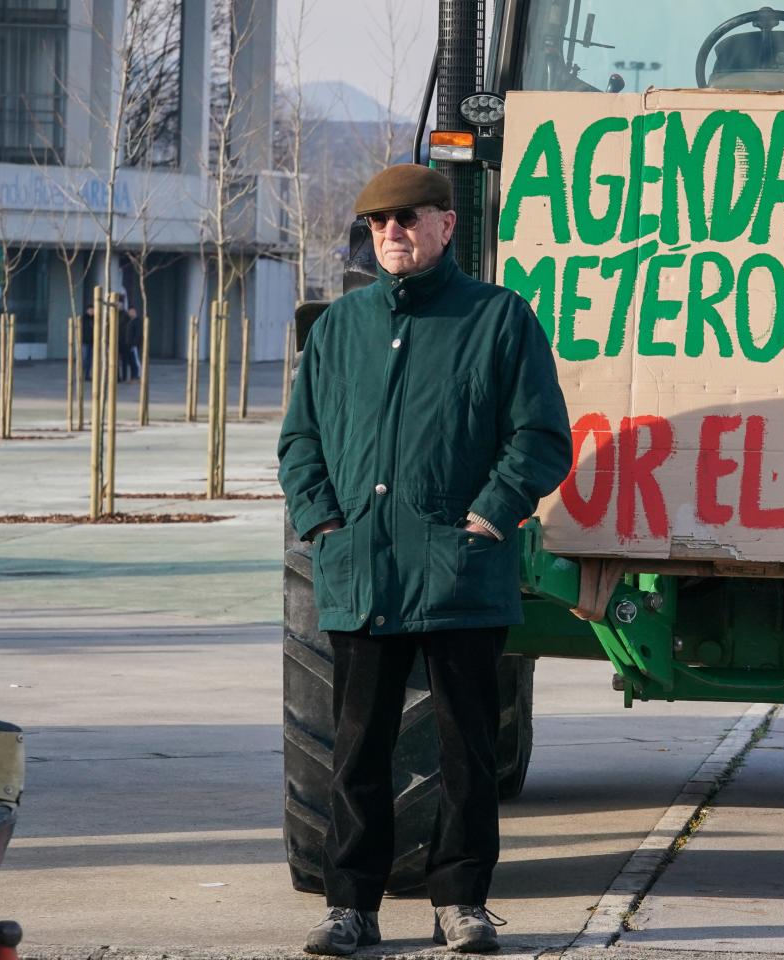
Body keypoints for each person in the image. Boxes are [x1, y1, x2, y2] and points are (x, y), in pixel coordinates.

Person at [278, 164, 571, 957]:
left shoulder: (499, 320)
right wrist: (323, 524)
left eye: (407, 218)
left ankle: (462, 901)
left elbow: (542, 437)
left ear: (447, 224)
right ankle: (350, 906)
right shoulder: (338, 329)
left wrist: (490, 514)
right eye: (377, 224)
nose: (392, 234)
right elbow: (300, 442)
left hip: (459, 574)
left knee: (466, 751)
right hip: (362, 570)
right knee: (356, 748)